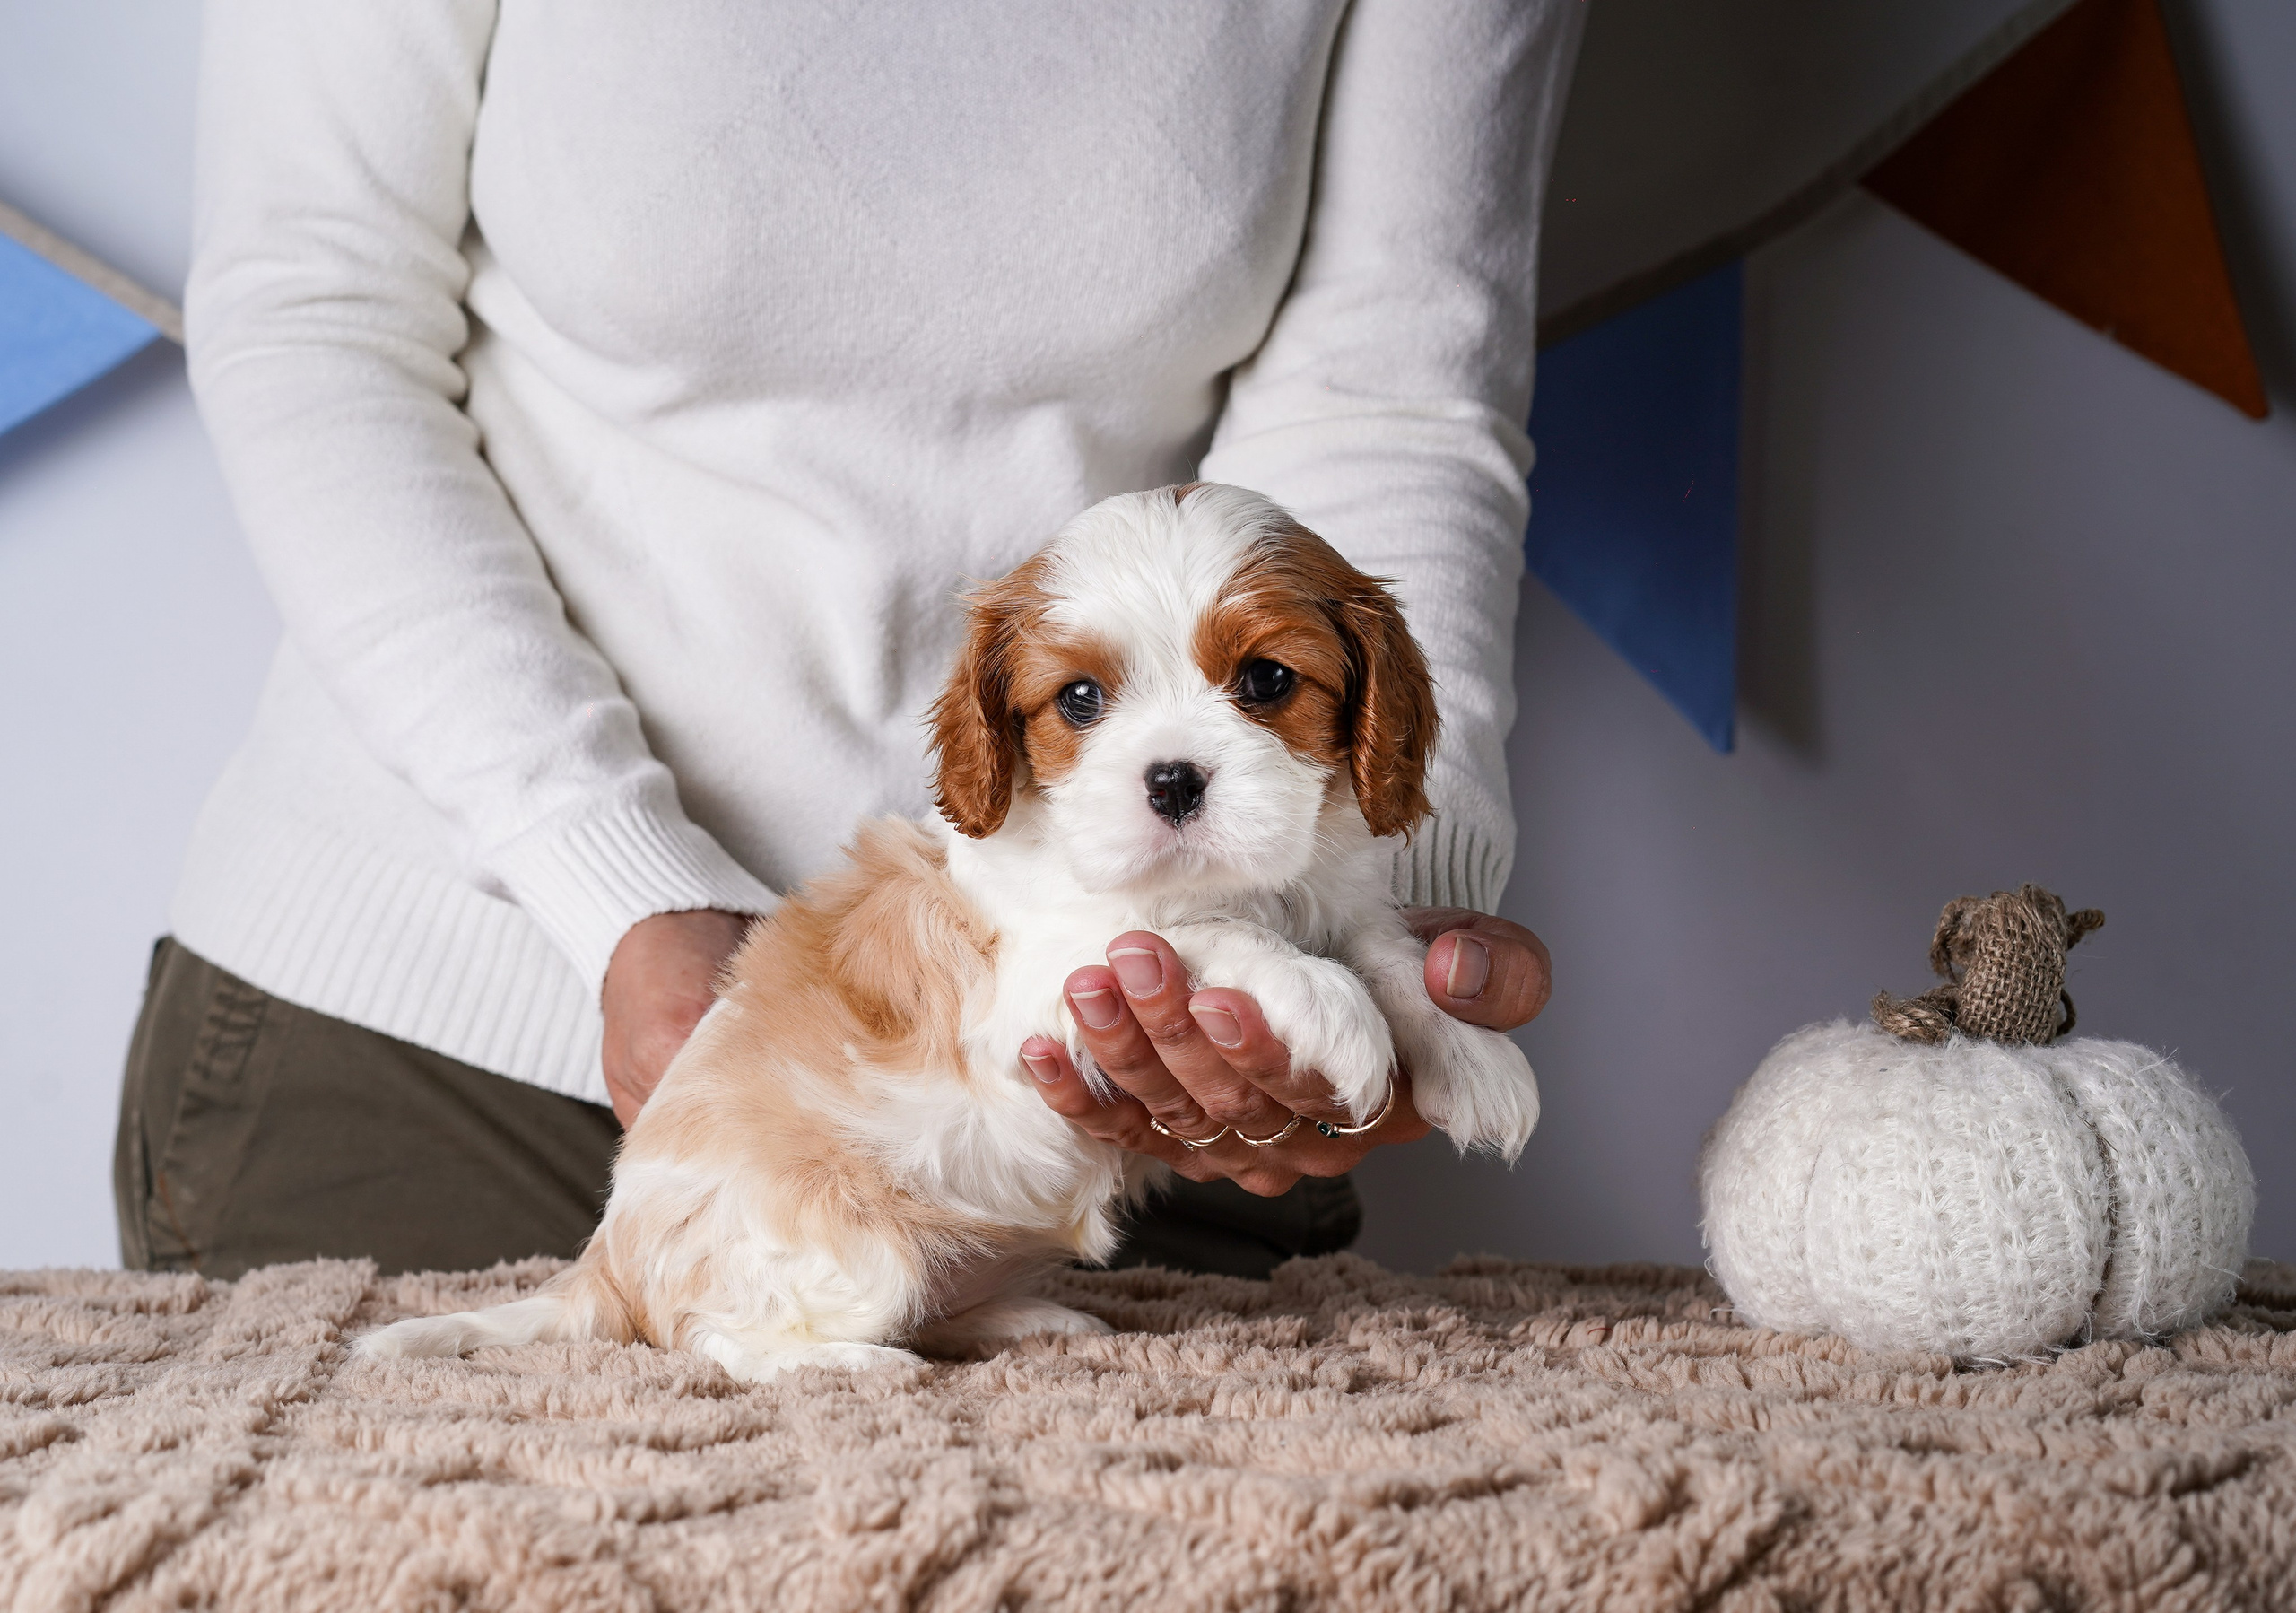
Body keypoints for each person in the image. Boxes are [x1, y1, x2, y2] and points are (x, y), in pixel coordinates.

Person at [115, 0, 1579, 1284]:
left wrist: (1386, 931)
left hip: (1118, 1060)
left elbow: (1394, 389)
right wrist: (607, 877)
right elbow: (315, 310)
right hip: (438, 1015)